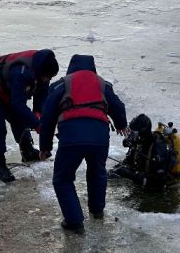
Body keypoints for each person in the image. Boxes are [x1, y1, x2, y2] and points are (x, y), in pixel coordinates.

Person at [39, 54, 130, 234]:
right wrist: (121, 124)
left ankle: (74, 221)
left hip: (72, 136)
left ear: (71, 68)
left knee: (62, 178)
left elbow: (48, 117)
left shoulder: (61, 84)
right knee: (97, 172)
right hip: (100, 136)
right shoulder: (102, 83)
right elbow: (118, 106)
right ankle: (97, 210)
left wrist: (45, 147)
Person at [0, 49, 59, 183]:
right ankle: (0, 166)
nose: (48, 80)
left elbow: (42, 92)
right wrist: (37, 124)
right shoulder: (21, 73)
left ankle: (28, 152)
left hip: (7, 90)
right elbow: (18, 105)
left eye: (50, 77)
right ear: (40, 71)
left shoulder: (43, 69)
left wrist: (38, 112)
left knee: (20, 118)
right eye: (47, 77)